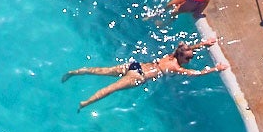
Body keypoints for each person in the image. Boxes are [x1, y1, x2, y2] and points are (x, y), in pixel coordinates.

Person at [62, 42, 221, 108]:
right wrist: (215, 69)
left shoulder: (171, 56)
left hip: (136, 65)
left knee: (103, 70)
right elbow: (196, 73)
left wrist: (204, 44)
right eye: (188, 58)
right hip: (138, 76)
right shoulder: (176, 66)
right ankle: (85, 103)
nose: (189, 60)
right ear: (181, 57)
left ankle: (76, 72)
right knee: (111, 88)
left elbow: (187, 47)